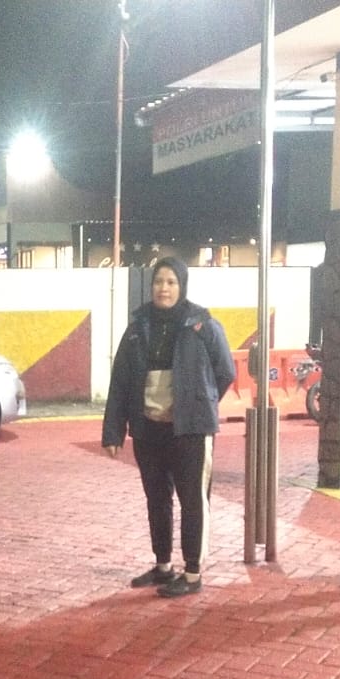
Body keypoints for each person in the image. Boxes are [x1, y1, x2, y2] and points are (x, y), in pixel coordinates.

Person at [102, 256, 235, 598]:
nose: (164, 288)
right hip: (149, 429)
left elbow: (225, 371)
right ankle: (163, 566)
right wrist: (114, 430)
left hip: (190, 431)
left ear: (182, 286)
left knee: (193, 501)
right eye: (159, 281)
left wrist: (198, 404)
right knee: (157, 499)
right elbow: (121, 381)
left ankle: (192, 573)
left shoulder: (202, 325)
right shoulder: (138, 327)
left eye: (171, 282)